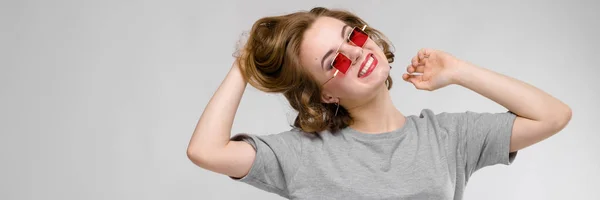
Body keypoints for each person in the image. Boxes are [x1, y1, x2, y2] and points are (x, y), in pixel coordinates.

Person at [186, 7, 572, 200]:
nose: (354, 54)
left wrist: (458, 70)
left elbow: (554, 115)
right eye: (333, 60)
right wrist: (247, 58)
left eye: (351, 37)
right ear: (326, 94)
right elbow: (206, 151)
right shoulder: (302, 155)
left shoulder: (448, 136)